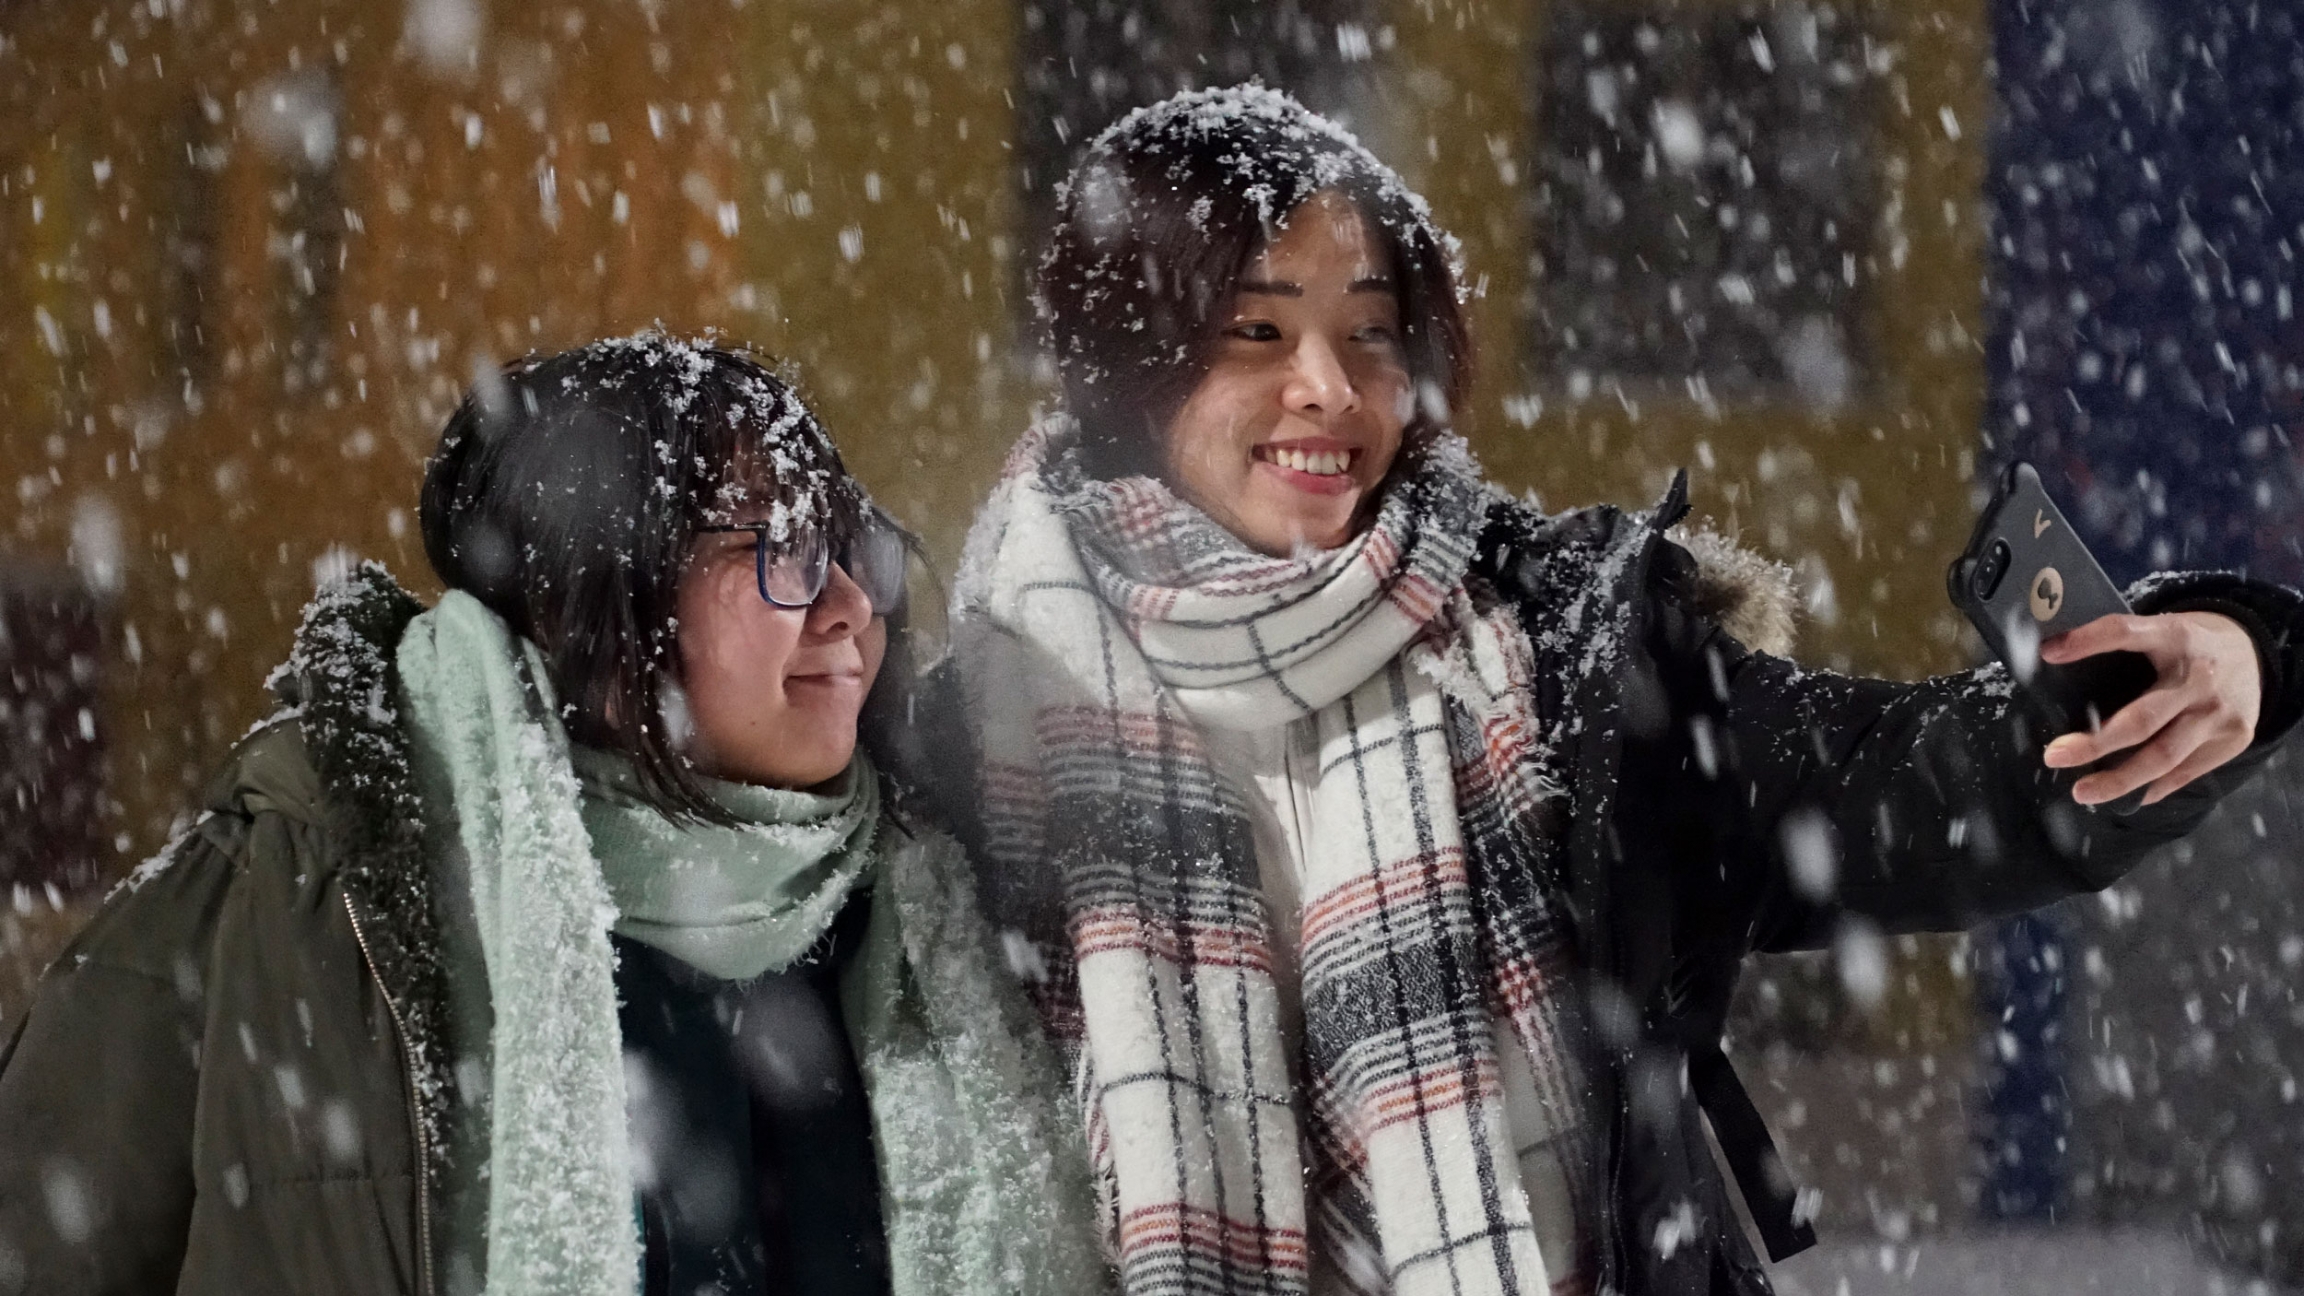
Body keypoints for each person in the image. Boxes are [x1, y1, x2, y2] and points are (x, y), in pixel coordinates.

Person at [922, 86, 2304, 1296]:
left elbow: (1917, 787)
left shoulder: (1558, 648)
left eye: (1372, 332)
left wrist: (2229, 648)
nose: (1329, 389)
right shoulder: (976, 727)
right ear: (1125, 363)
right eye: (1256, 335)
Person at [0, 336, 1106, 1296]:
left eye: (848, 546)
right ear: (597, 600)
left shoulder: (934, 901)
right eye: (781, 553)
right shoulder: (307, 886)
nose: (853, 609)